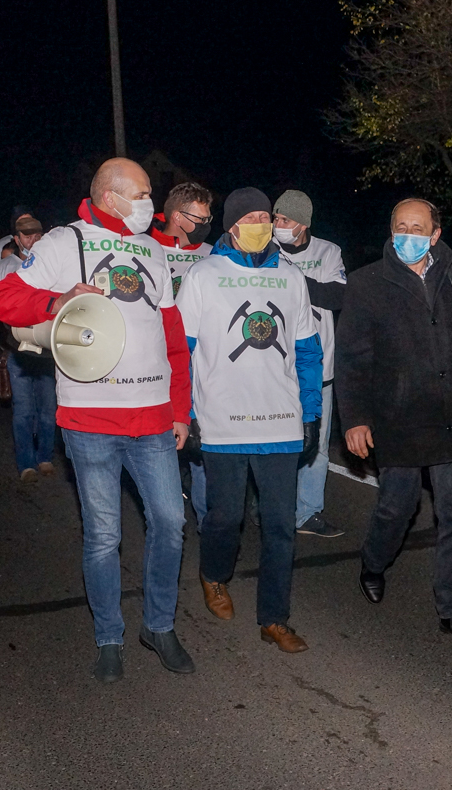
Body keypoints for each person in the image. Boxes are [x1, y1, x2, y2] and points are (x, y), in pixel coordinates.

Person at [0, 158, 194, 682]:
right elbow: (4, 299)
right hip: (90, 418)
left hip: (152, 418)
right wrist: (57, 297)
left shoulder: (151, 248)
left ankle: (159, 625)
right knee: (104, 534)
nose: (152, 201)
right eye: (144, 192)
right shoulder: (65, 243)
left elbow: (172, 336)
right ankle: (109, 636)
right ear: (110, 195)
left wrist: (180, 409)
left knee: (170, 522)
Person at [336, 197, 452, 645]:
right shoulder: (367, 283)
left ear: (435, 234)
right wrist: (356, 418)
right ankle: (374, 561)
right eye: (400, 226)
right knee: (397, 507)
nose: (407, 234)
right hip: (399, 417)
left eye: (417, 227)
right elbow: (351, 360)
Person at [177, 187, 322, 653]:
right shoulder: (204, 275)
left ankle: (274, 618)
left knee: (280, 525)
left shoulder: (290, 277)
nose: (261, 223)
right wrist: (188, 414)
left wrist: (311, 411)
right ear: (232, 225)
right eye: (252, 216)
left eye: (267, 215)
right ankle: (214, 574)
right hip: (223, 421)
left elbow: (306, 350)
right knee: (225, 517)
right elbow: (186, 350)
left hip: (280, 421)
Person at [273, 190, 348, 538]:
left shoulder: (327, 252)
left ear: (302, 224)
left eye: (284, 220)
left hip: (320, 369)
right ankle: (271, 505)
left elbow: (336, 296)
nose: (276, 226)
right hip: (275, 367)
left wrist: (292, 281)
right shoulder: (265, 251)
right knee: (275, 439)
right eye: (275, 219)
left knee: (315, 444)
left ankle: (308, 512)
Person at [149, 183, 215, 525]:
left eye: (208, 217)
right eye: (200, 217)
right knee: (166, 441)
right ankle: (169, 512)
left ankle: (207, 521)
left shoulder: (212, 253)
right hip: (160, 361)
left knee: (202, 441)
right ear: (178, 216)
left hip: (202, 362)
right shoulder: (148, 249)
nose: (206, 223)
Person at [0, 214, 58, 480]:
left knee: (48, 410)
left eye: (37, 234)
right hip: (17, 355)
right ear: (16, 238)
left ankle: (45, 456)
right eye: (26, 235)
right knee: (24, 411)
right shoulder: (3, 268)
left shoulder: (53, 267)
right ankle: (26, 463)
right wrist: (3, 343)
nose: (33, 240)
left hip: (47, 354)